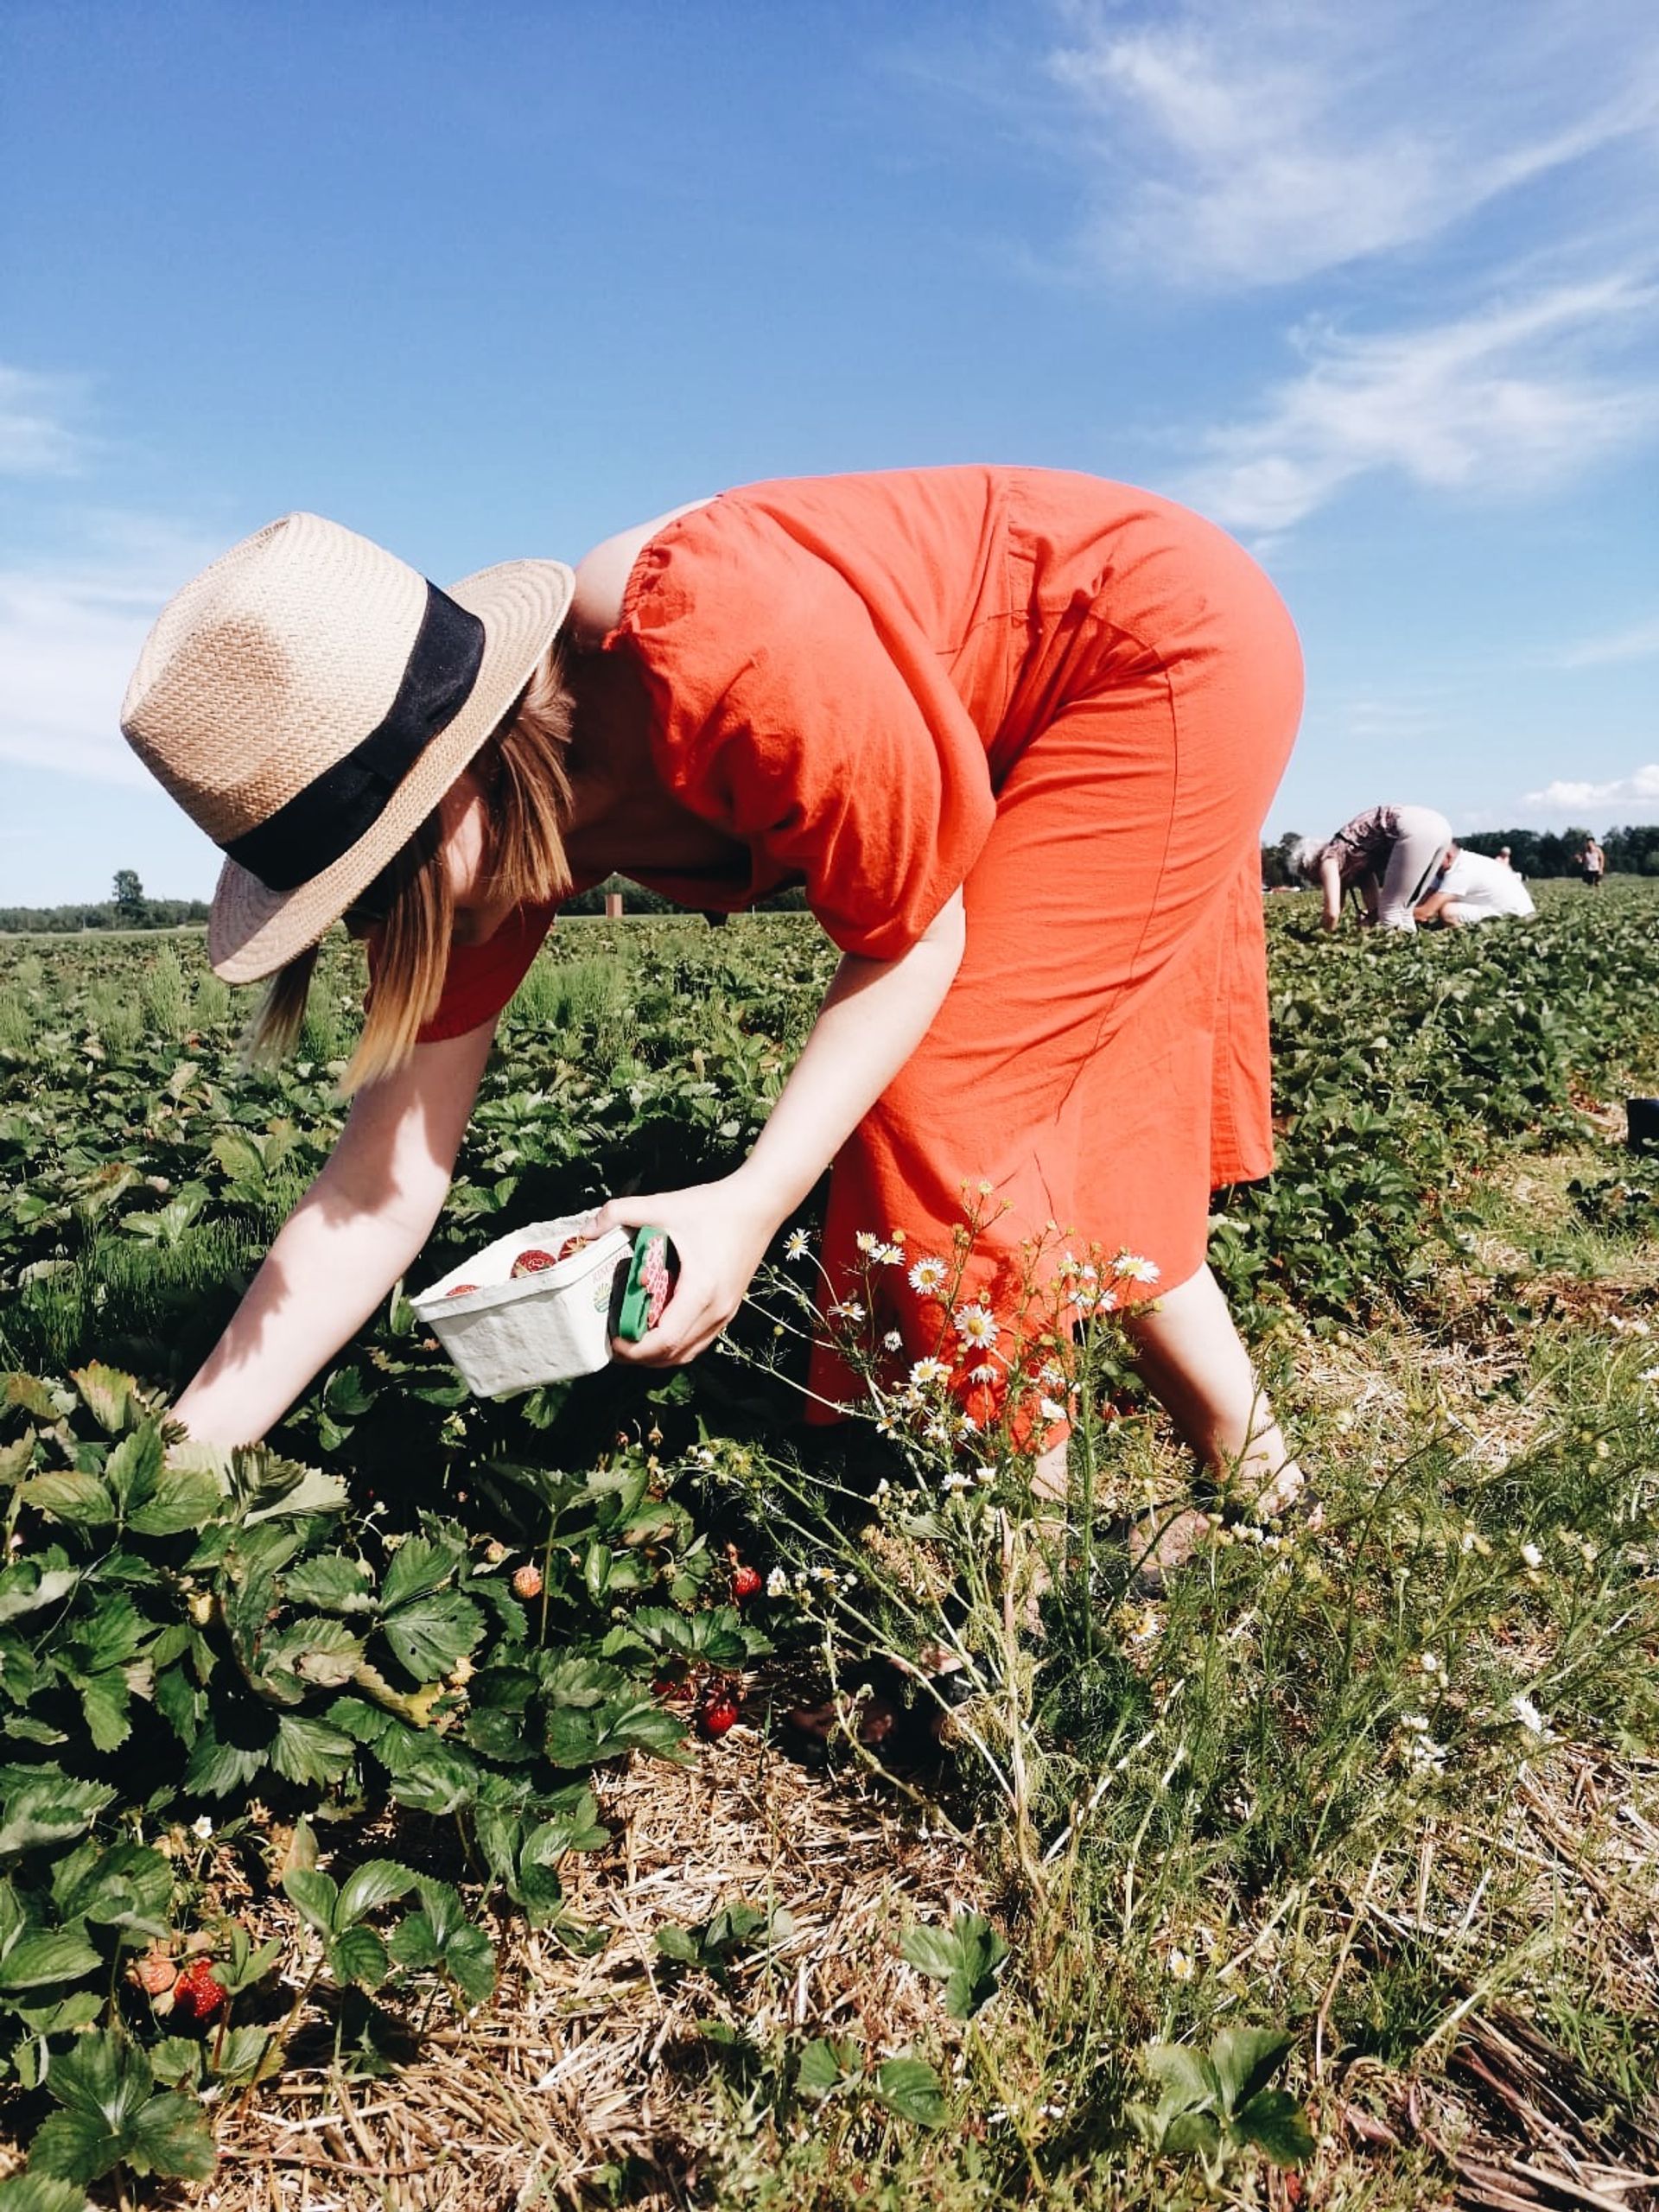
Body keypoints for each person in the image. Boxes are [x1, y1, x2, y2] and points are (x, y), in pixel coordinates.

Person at [119, 468, 1309, 1579]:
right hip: (1027, 699)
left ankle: (1029, 1598)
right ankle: (1262, 1474)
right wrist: (168, 1470)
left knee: (948, 1102)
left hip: (1143, 648)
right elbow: (370, 1196)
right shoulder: (456, 874)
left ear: (458, 771)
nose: (381, 917)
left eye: (375, 871)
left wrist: (749, 1204)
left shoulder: (714, 637)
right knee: (1052, 1112)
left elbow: (911, 936)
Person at [1294, 805, 1453, 931]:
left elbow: (1332, 913)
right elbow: (1375, 910)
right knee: (1404, 911)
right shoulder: (1358, 860)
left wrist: (1321, 938)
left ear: (1310, 865)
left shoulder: (1329, 859)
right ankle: (1410, 954)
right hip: (1440, 826)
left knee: (1391, 911)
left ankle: (1395, 962)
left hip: (1413, 828)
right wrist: (1368, 922)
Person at [1413, 843, 1535, 927]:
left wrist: (1397, 916)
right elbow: (1426, 898)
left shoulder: (1462, 870)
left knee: (1448, 911)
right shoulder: (1445, 867)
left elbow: (1426, 912)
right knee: (1444, 910)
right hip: (1499, 908)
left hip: (1516, 915)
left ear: (1448, 856)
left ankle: (1463, 940)